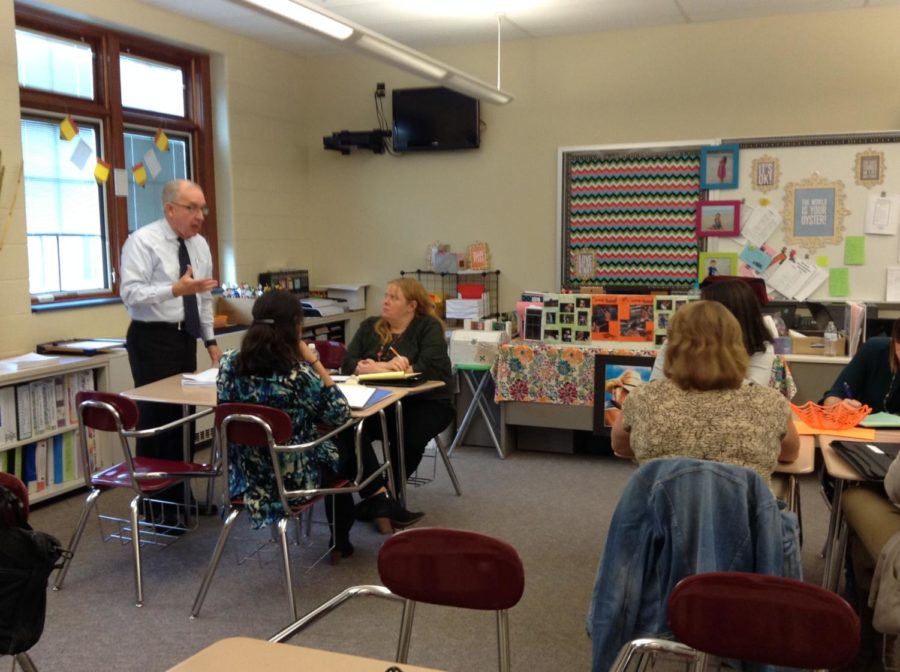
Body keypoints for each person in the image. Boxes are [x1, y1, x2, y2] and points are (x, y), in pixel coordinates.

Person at [216, 290, 416, 557]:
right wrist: (313, 360)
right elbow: (341, 412)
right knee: (346, 435)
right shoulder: (298, 374)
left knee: (338, 442)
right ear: (296, 327)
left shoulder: (229, 364)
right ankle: (371, 506)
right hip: (293, 482)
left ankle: (373, 504)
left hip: (244, 478)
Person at [612, 301, 799, 484]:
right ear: (737, 346)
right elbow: (790, 454)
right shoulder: (770, 402)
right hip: (741, 514)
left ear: (673, 347)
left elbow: (621, 447)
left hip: (661, 513)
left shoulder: (642, 397)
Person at [120, 179, 219, 518]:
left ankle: (181, 495)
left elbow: (202, 297)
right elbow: (130, 294)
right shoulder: (142, 242)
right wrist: (172, 290)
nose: (200, 216)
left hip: (184, 338)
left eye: (202, 208)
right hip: (151, 339)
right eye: (192, 208)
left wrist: (211, 341)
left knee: (183, 421)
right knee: (157, 421)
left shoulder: (200, 245)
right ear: (170, 209)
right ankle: (156, 506)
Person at [341, 277, 454, 524]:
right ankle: (377, 496)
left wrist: (375, 369)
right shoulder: (370, 326)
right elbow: (348, 363)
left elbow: (425, 369)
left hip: (428, 401)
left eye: (394, 297)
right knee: (349, 431)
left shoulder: (428, 328)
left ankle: (387, 493)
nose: (386, 301)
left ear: (412, 305)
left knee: (408, 435)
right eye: (386, 295)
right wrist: (381, 366)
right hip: (378, 402)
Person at [650, 277, 775, 387]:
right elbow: (655, 386)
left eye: (706, 310)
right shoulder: (679, 341)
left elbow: (752, 395)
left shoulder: (759, 348)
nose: (698, 314)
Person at [822, 317, 900, 413]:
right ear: (895, 342)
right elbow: (832, 398)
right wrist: (838, 407)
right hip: (864, 425)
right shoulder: (874, 350)